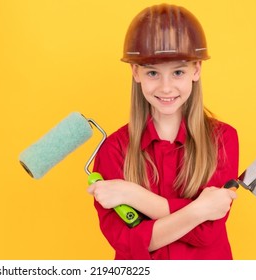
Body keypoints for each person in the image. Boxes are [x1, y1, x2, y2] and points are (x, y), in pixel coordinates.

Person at [86, 4, 239, 260]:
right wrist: (199, 210)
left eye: (178, 72)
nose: (166, 88)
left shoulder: (222, 140)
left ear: (196, 70)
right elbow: (130, 243)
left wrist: (132, 194)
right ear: (136, 73)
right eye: (153, 73)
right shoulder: (113, 149)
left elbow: (206, 234)